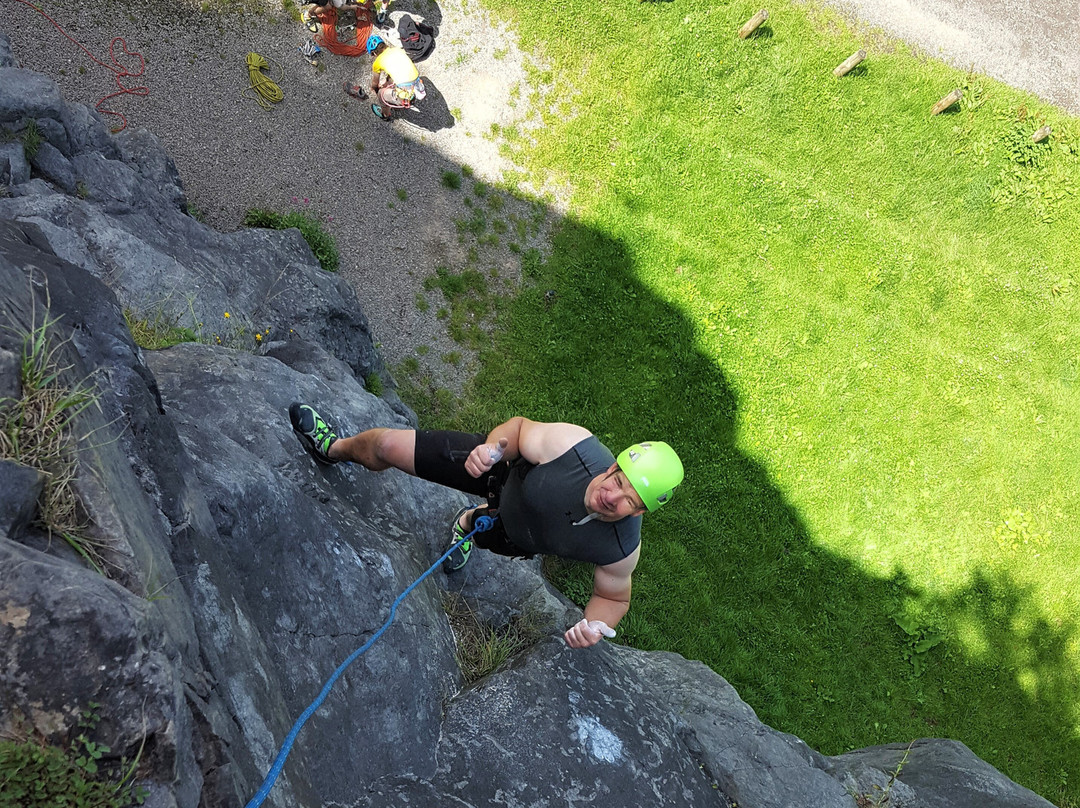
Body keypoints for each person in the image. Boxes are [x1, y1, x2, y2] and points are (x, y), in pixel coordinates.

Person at [289, 403, 685, 649]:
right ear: (614, 465)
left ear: (640, 513)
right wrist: (492, 447)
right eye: (619, 481)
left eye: (629, 500)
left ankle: (467, 525)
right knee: (387, 447)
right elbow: (516, 430)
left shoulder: (620, 547)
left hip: (514, 534)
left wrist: (595, 626)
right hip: (497, 472)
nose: (613, 497)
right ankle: (334, 448)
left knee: (482, 528)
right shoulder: (572, 448)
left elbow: (614, 598)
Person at [365, 35, 426, 120]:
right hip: (418, 85)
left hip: (406, 94)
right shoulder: (398, 50)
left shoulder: (377, 63)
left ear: (374, 53)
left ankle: (385, 115)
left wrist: (374, 89)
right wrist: (387, 83)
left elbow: (375, 83)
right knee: (391, 78)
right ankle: (396, 97)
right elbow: (398, 68)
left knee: (381, 94)